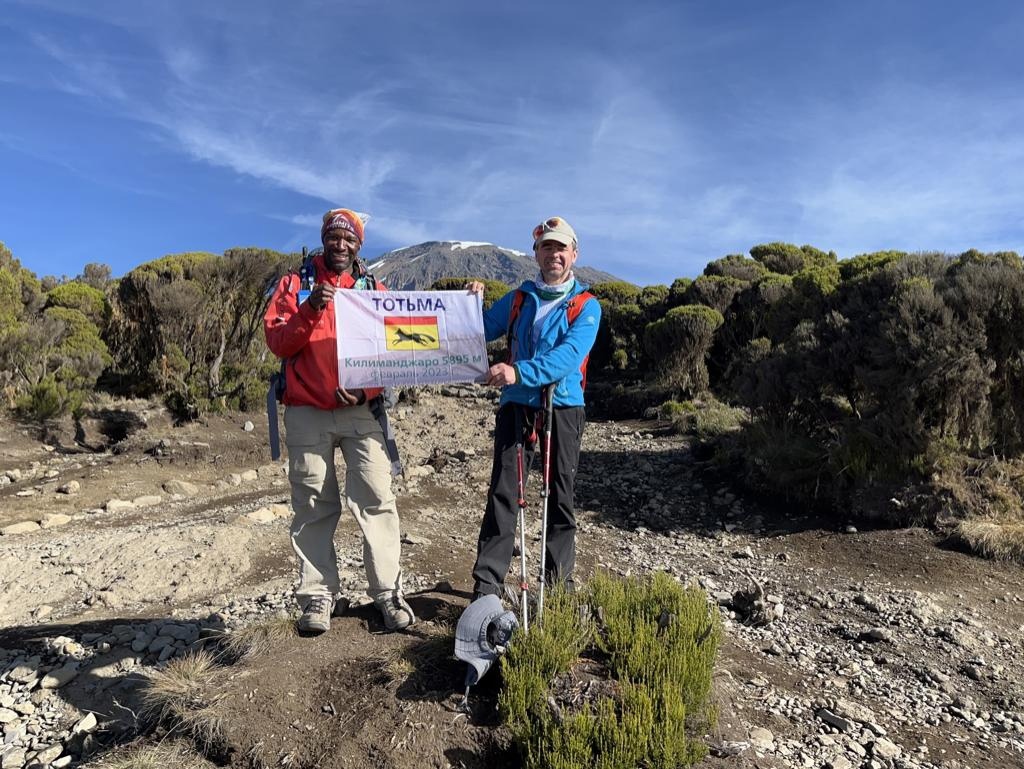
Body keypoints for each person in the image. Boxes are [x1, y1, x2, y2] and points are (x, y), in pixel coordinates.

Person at [264, 208, 415, 634]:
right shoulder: (294, 286)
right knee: (312, 504)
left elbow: (396, 352)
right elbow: (278, 341)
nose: (341, 244)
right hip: (306, 411)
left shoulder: (373, 290)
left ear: (359, 245)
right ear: (324, 238)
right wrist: (310, 308)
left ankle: (387, 593)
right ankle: (316, 596)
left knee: (376, 497)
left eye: (349, 239)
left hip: (360, 411)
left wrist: (367, 389)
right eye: (334, 236)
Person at [467, 216, 601, 599]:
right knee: (504, 492)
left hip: (563, 408)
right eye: (547, 246)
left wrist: (516, 372)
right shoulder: (519, 299)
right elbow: (476, 329)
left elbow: (568, 357)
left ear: (573, 254)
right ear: (536, 253)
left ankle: (559, 588)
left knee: (560, 495)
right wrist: (467, 303)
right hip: (517, 406)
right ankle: (488, 586)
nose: (553, 254)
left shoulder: (587, 306)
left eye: (561, 247)